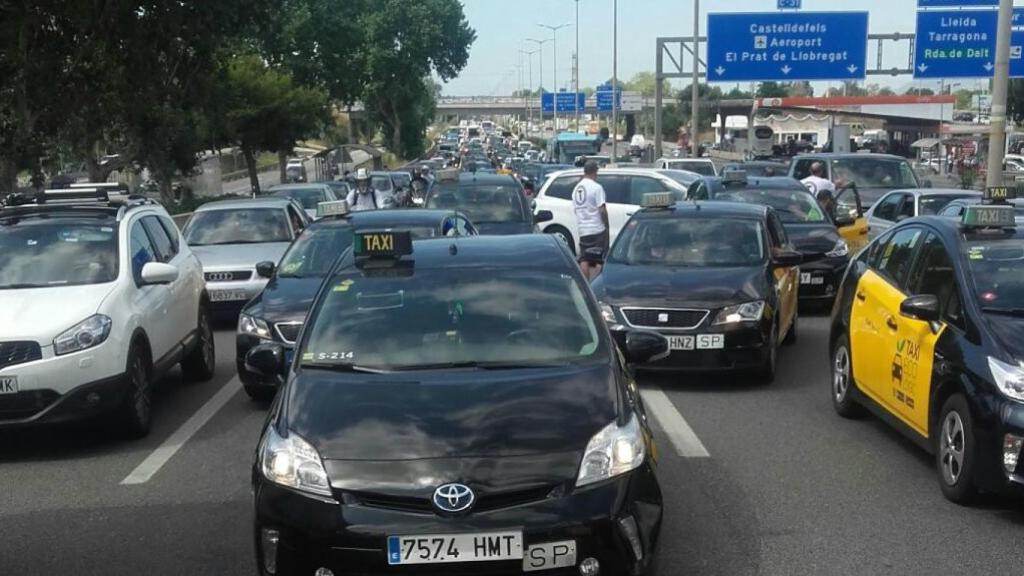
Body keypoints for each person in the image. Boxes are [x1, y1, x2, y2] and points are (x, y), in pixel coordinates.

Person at [573, 160, 609, 280]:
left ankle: (586, 285)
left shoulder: (576, 189)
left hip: (583, 229)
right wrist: (606, 225)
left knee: (584, 258)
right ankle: (598, 284)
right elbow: (602, 210)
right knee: (599, 258)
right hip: (597, 228)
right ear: (594, 171)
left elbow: (576, 210)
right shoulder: (596, 187)